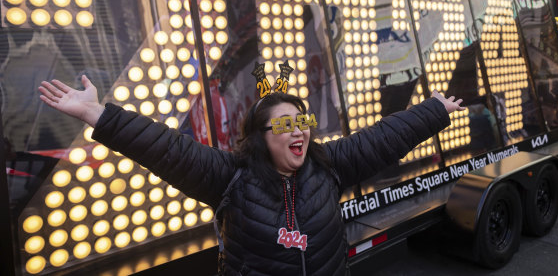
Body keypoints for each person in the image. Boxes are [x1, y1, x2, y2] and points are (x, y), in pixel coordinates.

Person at [39, 75, 464, 276]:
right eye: (284, 125)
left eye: (304, 121)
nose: (298, 130)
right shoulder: (230, 177)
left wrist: (434, 111)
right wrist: (97, 113)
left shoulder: (328, 165)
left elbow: (382, 138)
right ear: (261, 137)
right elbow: (165, 147)